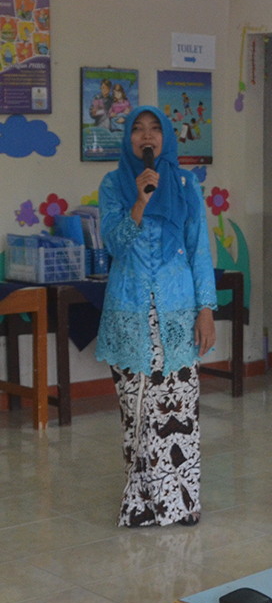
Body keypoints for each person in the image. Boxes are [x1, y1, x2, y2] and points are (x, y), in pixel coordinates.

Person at [95, 106, 217, 527]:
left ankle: (181, 503)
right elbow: (114, 243)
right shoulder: (113, 184)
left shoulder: (186, 184)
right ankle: (143, 505)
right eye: (137, 130)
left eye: (154, 130)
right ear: (128, 139)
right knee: (140, 411)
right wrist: (139, 202)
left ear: (165, 137)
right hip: (130, 314)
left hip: (179, 312)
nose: (146, 137)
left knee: (178, 409)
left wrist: (206, 309)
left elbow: (200, 250)